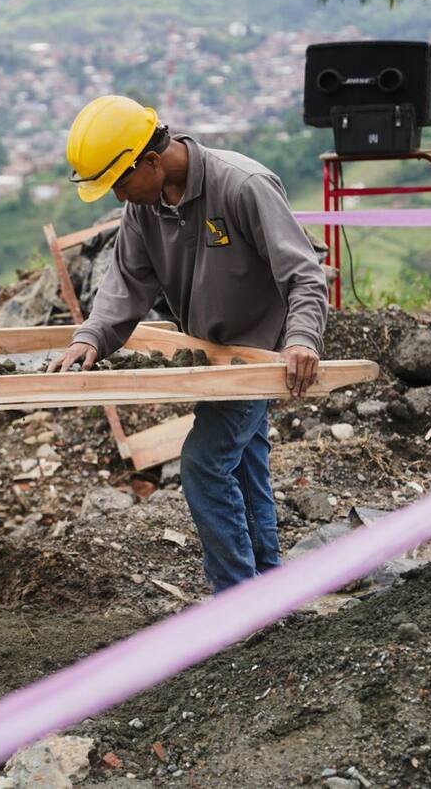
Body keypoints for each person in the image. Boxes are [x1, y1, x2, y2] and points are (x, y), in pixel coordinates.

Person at [48, 95, 327, 593]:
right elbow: (127, 281)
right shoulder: (145, 206)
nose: (118, 197)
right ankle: (269, 588)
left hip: (256, 356)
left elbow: (303, 275)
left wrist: (303, 338)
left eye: (119, 183)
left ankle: (236, 600)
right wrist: (92, 336)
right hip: (212, 355)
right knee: (244, 464)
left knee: (203, 463)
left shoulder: (243, 185)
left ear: (152, 160)